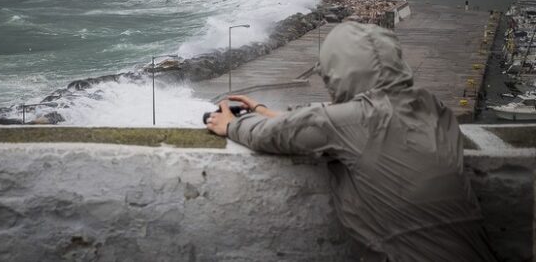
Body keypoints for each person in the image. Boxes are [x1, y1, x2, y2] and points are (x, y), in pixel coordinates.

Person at [205, 22, 497, 261]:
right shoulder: (433, 109)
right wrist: (263, 110)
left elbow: (273, 135)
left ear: (338, 73)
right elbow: (339, 121)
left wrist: (233, 123)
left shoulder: (352, 121)